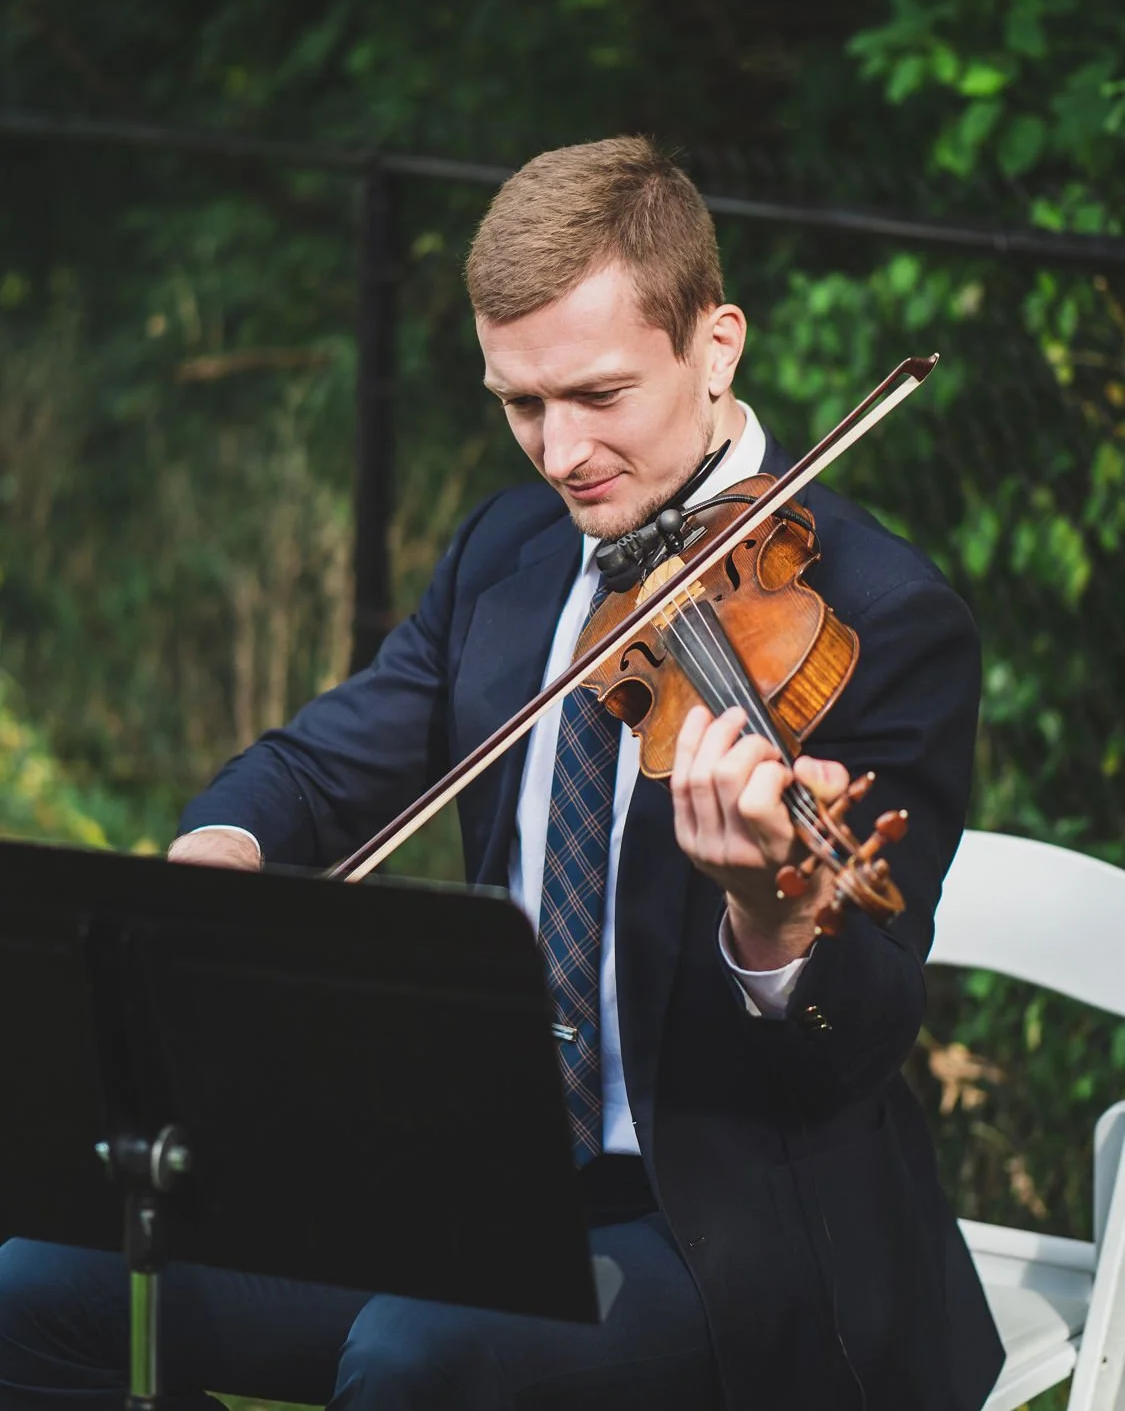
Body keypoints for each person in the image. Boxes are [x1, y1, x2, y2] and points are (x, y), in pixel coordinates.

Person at [0, 137, 1003, 1410]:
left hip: (729, 1225)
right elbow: (322, 765)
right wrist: (225, 854)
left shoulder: (882, 618)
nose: (559, 450)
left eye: (598, 395)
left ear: (717, 345)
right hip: (481, 1183)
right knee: (37, 1290)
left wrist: (771, 914)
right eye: (520, 404)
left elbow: (849, 1047)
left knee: (418, 1361)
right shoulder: (509, 551)